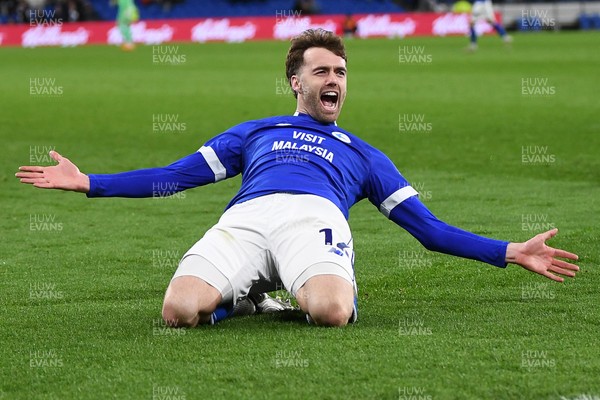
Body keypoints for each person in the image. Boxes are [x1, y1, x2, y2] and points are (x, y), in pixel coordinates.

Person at [16, 29, 579, 328]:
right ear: (295, 81)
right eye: (322, 71)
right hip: (246, 220)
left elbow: (427, 230)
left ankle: (312, 288)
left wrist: (509, 251)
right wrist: (91, 182)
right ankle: (243, 300)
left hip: (315, 223)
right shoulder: (255, 131)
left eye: (341, 71)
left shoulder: (365, 155)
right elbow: (175, 177)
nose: (335, 79)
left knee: (331, 314)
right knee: (178, 314)